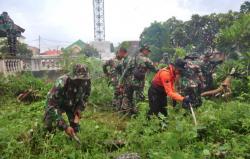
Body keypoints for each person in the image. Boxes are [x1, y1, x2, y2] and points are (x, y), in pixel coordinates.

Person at [44, 64, 91, 138]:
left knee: (75, 128)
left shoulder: (86, 82)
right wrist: (65, 126)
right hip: (56, 103)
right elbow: (51, 106)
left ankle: (73, 138)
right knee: (49, 126)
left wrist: (79, 109)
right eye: (78, 80)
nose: (81, 82)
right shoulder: (62, 82)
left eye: (83, 79)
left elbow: (86, 97)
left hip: (71, 103)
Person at [119, 45, 157, 114]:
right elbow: (154, 69)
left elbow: (126, 70)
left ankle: (125, 111)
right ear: (144, 50)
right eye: (148, 51)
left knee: (127, 96)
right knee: (138, 98)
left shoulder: (132, 58)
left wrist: (121, 82)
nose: (148, 53)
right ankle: (138, 114)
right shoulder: (145, 59)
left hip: (129, 81)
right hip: (138, 82)